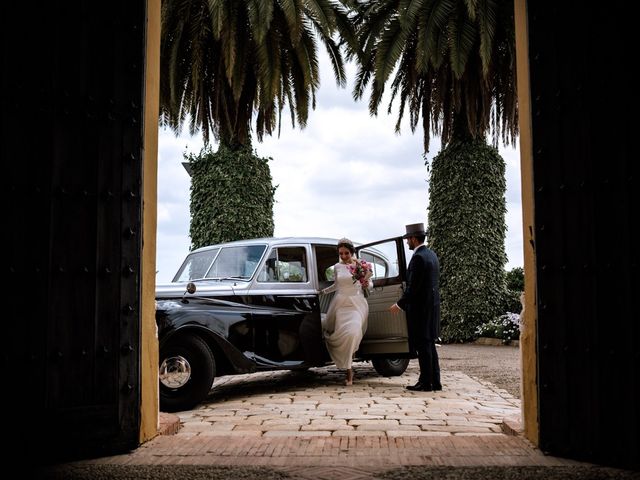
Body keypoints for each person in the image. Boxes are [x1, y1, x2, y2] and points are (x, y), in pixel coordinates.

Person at [389, 223, 442, 392]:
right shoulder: (431, 254)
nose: (407, 243)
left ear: (413, 238)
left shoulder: (418, 257)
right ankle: (436, 382)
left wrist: (400, 303)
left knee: (423, 346)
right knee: (429, 345)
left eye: (407, 240)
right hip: (431, 307)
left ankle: (426, 383)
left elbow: (414, 287)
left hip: (421, 310)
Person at [320, 238, 372, 385]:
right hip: (340, 304)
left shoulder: (361, 265)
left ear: (352, 252)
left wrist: (367, 283)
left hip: (356, 304)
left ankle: (349, 365)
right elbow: (336, 285)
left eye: (346, 253)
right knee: (342, 335)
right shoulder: (337, 267)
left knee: (353, 332)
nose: (343, 256)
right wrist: (322, 292)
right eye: (341, 253)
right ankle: (349, 370)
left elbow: (368, 283)